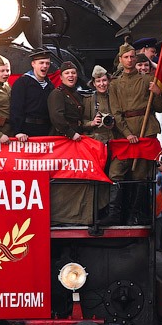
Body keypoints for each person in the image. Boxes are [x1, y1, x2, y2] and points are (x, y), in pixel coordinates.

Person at [99, 42, 162, 226]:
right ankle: (115, 214)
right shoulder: (114, 84)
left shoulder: (147, 80)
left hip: (146, 131)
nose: (130, 60)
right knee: (116, 172)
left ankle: (135, 215)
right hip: (123, 135)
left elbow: (160, 107)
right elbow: (115, 112)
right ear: (121, 59)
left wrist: (158, 93)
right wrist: (128, 133)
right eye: (126, 57)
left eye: (132, 56)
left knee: (140, 176)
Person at [47, 61, 103, 225]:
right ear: (61, 76)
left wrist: (89, 125)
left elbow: (78, 121)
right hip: (64, 139)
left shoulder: (76, 95)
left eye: (73, 73)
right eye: (67, 73)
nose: (71, 76)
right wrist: (72, 134)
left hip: (75, 138)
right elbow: (57, 118)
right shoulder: (57, 94)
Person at [10, 50, 54, 140]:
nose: (45, 66)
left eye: (47, 63)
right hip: (26, 131)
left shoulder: (50, 85)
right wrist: (18, 131)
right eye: (41, 63)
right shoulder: (22, 83)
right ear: (33, 64)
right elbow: (16, 108)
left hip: (45, 130)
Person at [83, 65, 114, 144]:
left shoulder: (114, 97)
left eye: (104, 80)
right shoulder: (89, 100)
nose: (102, 84)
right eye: (98, 81)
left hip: (114, 137)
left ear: (109, 81)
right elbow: (82, 121)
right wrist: (92, 123)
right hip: (98, 140)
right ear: (93, 83)